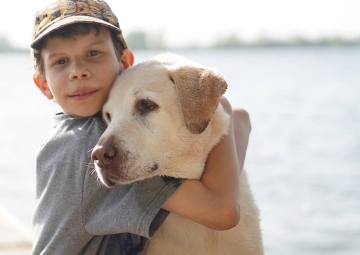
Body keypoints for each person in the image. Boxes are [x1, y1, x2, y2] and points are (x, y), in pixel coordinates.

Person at [30, 0, 251, 254]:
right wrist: (220, 107)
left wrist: (212, 104)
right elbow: (221, 210)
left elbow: (241, 117)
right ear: (43, 84)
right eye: (60, 61)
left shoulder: (90, 128)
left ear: (124, 62)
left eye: (93, 53)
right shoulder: (85, 146)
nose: (78, 71)